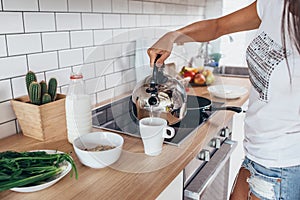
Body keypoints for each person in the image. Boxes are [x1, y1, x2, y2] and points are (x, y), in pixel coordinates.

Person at [147, 0, 300, 199]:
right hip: (255, 155)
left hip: (282, 166)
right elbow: (218, 26)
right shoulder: (275, 4)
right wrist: (172, 36)